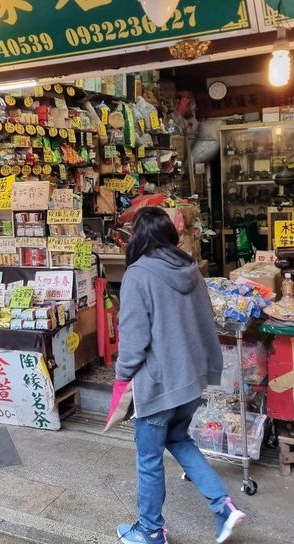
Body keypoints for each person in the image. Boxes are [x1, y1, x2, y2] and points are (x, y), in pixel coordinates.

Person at [115, 206, 246, 544]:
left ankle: (151, 531)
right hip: (191, 381)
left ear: (137, 237)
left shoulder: (137, 275)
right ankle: (223, 506)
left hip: (158, 384)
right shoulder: (190, 269)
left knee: (148, 460)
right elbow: (207, 323)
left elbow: (133, 341)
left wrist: (121, 377)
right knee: (178, 439)